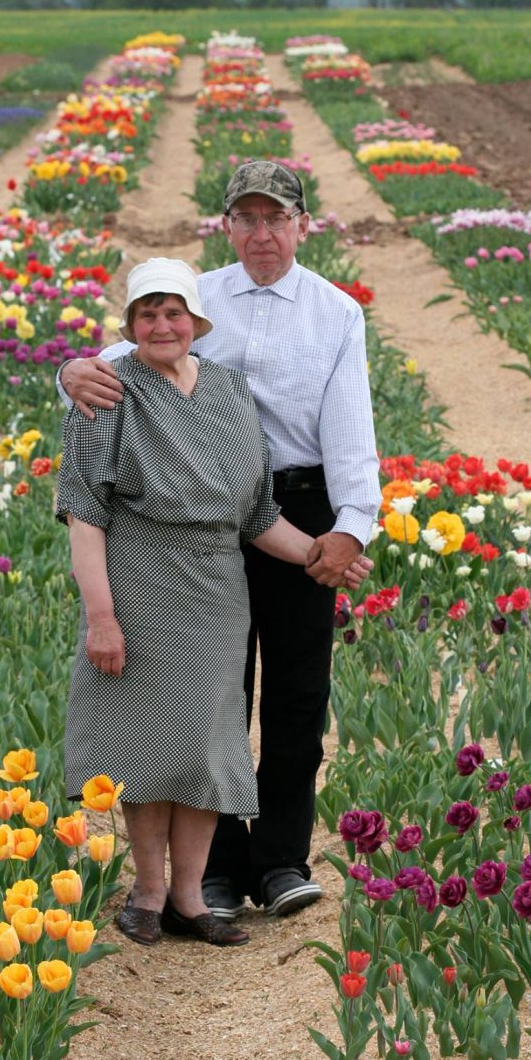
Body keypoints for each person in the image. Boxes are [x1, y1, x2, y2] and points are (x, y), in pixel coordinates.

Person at [59, 163, 381, 921]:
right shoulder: (195, 299)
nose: (263, 234)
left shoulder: (336, 311)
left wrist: (346, 530)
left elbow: (352, 431)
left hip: (289, 510)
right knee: (210, 700)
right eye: (248, 219)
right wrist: (68, 368)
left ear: (304, 224)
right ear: (227, 226)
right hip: (184, 528)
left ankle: (281, 861)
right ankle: (212, 876)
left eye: (278, 218)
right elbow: (117, 367)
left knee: (299, 697)